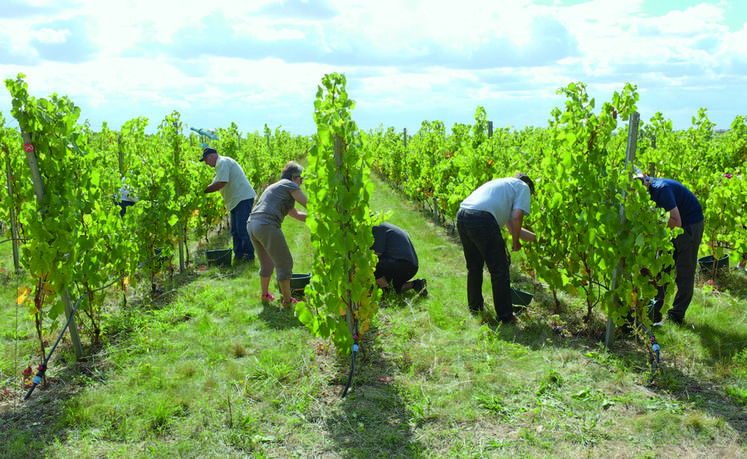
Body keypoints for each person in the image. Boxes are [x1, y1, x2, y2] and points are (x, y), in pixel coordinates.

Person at [456, 172, 537, 324]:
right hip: (482, 218)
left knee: (474, 267)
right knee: (499, 269)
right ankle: (505, 316)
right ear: (529, 187)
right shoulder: (523, 187)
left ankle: (475, 307)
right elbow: (517, 217)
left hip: (463, 215)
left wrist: (536, 238)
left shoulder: (503, 188)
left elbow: (512, 228)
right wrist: (515, 243)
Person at [636, 173, 704, 325]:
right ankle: (655, 311)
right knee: (663, 268)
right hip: (671, 228)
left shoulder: (661, 190)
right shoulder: (643, 195)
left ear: (644, 180)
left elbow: (676, 222)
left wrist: (651, 227)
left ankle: (676, 316)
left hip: (690, 225)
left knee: (684, 271)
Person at [247, 161, 308, 306]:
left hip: (252, 224)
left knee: (267, 262)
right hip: (267, 224)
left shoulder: (277, 187)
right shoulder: (289, 184)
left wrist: (318, 218)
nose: (301, 183)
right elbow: (308, 204)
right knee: (285, 262)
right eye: (301, 179)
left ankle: (265, 295)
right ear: (294, 178)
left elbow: (297, 214)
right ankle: (287, 301)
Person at [200, 147, 257, 263]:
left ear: (212, 156)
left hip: (242, 198)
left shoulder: (222, 162)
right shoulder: (220, 165)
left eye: (206, 160)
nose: (206, 163)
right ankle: (239, 255)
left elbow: (221, 183)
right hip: (236, 200)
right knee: (235, 230)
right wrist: (204, 188)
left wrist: (202, 191)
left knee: (242, 229)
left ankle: (249, 255)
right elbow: (215, 182)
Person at [372, 222, 427, 296]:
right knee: (392, 286)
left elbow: (375, 255)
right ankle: (415, 284)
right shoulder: (383, 226)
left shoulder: (376, 227)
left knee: (371, 264)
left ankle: (386, 291)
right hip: (411, 266)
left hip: (402, 265)